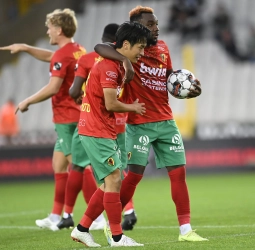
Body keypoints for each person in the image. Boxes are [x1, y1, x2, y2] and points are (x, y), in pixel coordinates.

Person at [94, 5, 208, 244]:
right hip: (139, 122)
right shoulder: (130, 49)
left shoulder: (164, 47)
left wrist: (186, 87)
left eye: (156, 23)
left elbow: (167, 78)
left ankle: (186, 230)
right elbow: (100, 47)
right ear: (138, 28)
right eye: (150, 25)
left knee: (179, 175)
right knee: (133, 176)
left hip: (166, 121)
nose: (156, 28)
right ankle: (111, 223)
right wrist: (125, 62)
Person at [0, 9, 96, 230]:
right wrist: (24, 48)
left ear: (59, 30)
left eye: (50, 27)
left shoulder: (63, 55)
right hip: (76, 113)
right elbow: (51, 57)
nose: (47, 31)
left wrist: (27, 101)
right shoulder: (77, 49)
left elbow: (53, 87)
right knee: (59, 164)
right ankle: (55, 216)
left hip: (67, 117)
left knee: (78, 166)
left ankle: (97, 216)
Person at [70, 21, 150, 247]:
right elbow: (111, 103)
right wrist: (133, 107)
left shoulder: (116, 65)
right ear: (125, 44)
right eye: (140, 48)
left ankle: (82, 228)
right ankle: (117, 237)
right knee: (114, 179)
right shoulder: (108, 67)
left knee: (109, 183)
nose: (142, 53)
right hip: (96, 130)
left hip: (101, 129)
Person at [57, 23, 137, 232]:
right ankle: (124, 217)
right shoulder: (116, 63)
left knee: (80, 168)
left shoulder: (90, 59)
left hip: (93, 122)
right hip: (111, 125)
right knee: (115, 175)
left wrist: (84, 97)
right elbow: (113, 101)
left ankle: (71, 217)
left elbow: (74, 91)